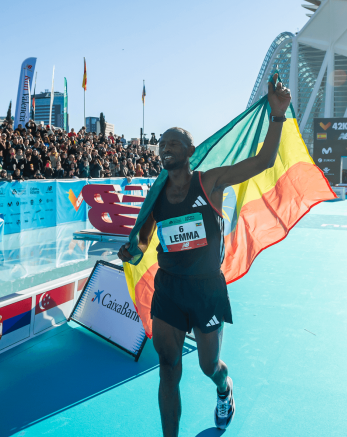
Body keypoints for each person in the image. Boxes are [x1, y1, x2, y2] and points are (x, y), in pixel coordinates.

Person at [117, 74, 291, 436]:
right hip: (169, 288)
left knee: (207, 364)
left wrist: (277, 116)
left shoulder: (209, 181)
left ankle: (224, 388)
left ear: (190, 151)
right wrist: (132, 250)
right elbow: (145, 241)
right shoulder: (156, 194)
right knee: (168, 366)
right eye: (162, 143)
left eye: (174, 142)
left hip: (206, 289)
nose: (165, 146)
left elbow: (263, 160)